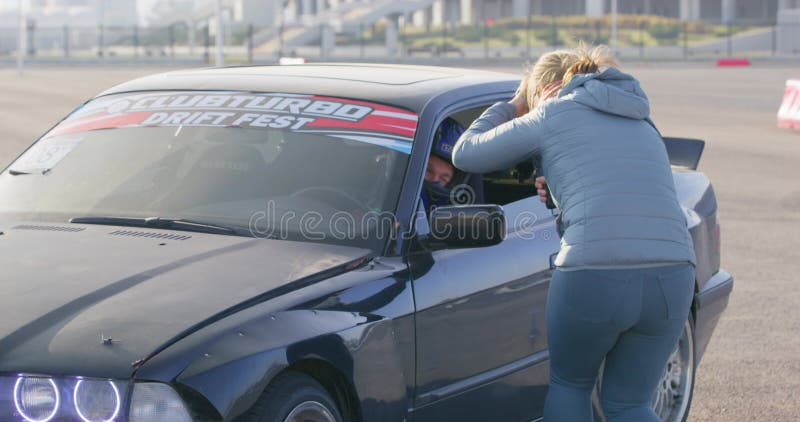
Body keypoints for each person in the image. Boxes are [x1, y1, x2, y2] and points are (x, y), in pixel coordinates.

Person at [452, 44, 697, 422]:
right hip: (674, 272)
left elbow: (465, 154)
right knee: (629, 404)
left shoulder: (552, 111)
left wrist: (513, 105)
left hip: (595, 269)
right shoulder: (641, 117)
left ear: (544, 89)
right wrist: (559, 191)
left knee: (571, 385)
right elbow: (616, 184)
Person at [421, 118, 483, 213]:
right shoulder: (394, 194)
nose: (435, 180)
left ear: (454, 180)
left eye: (443, 178)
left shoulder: (461, 219)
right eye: (428, 171)